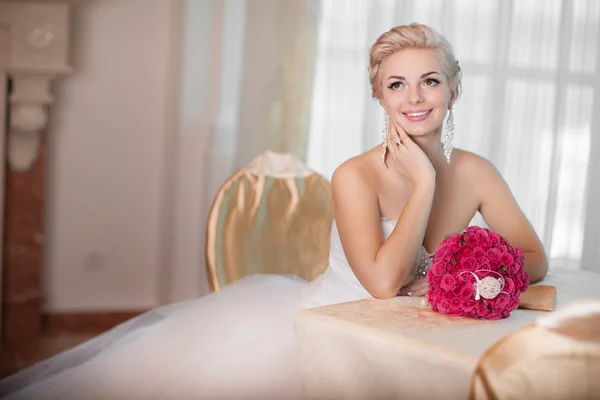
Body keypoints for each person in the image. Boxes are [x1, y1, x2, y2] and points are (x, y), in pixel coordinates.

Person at [0, 23, 548, 399]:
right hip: (332, 332)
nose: (415, 98)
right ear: (379, 97)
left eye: (430, 81)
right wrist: (424, 182)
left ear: (453, 89)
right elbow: (383, 284)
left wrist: (468, 275)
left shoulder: (476, 170)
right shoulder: (354, 176)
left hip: (426, 333)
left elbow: (535, 260)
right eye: (396, 84)